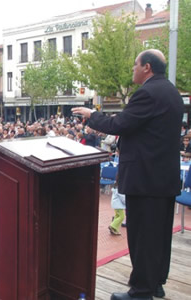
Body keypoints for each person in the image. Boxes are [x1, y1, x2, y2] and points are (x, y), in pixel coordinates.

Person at [72, 49, 183, 300]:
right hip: (163, 178)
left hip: (145, 178)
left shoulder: (147, 93)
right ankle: (155, 283)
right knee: (159, 235)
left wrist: (92, 116)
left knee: (143, 235)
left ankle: (141, 291)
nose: (132, 68)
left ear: (147, 67)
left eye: (135, 64)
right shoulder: (172, 93)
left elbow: (120, 124)